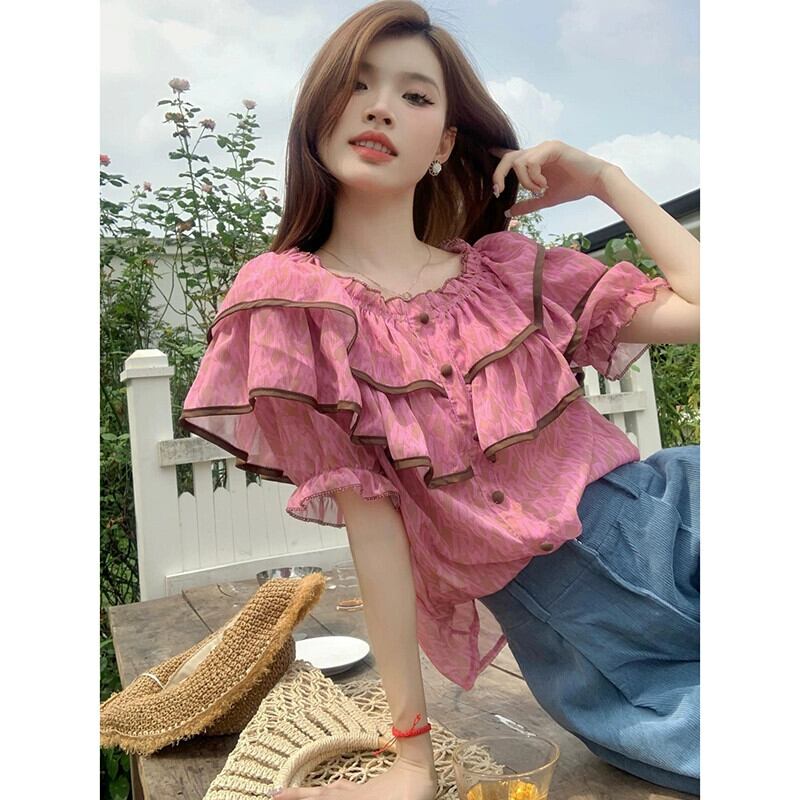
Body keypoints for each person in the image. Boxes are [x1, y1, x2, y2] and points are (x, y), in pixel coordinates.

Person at [179, 2, 700, 798]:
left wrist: (604, 179)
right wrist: (411, 757)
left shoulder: (506, 273)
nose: (381, 107)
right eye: (358, 84)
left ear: (446, 144)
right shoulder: (293, 303)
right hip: (599, 646)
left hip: (682, 521)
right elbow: (375, 530)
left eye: (415, 95)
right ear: (318, 111)